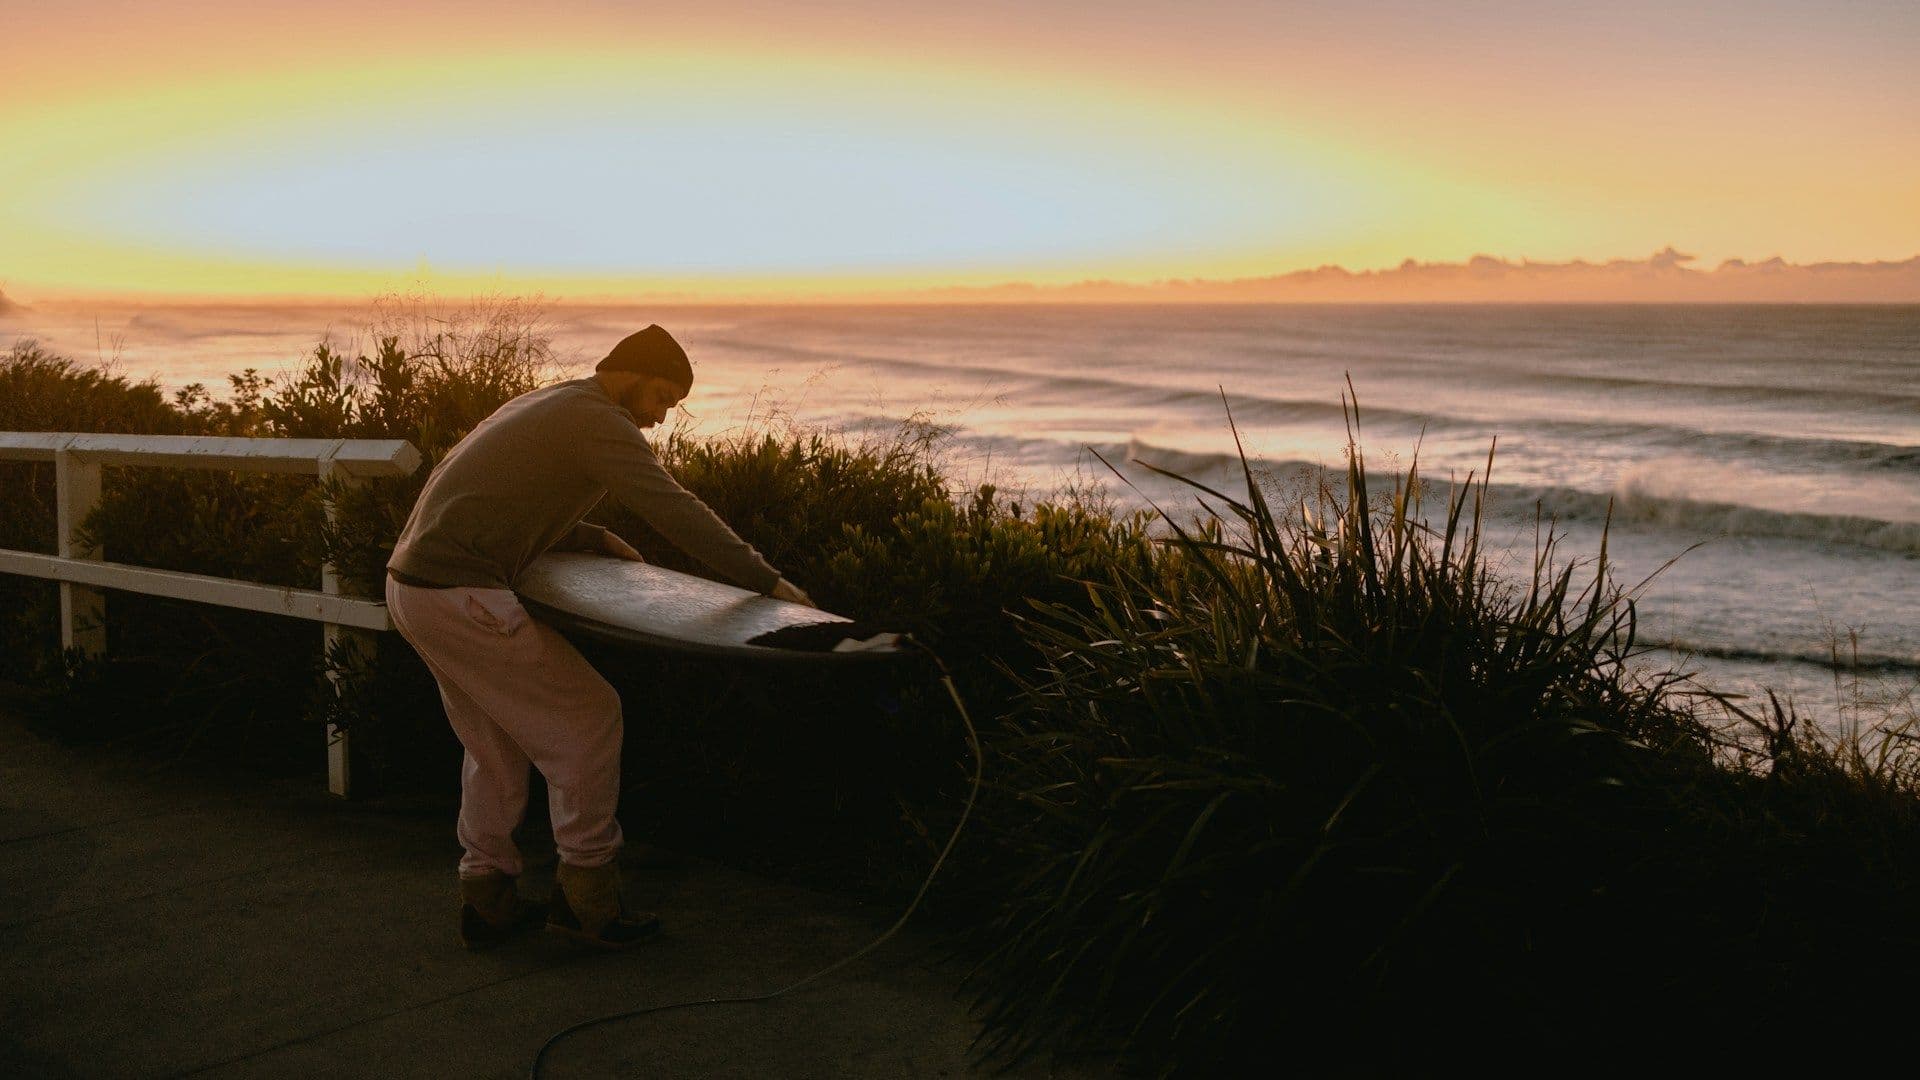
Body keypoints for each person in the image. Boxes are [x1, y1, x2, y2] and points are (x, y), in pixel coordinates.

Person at [383, 324, 813, 950]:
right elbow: (673, 507)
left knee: (495, 749)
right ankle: (587, 897)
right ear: (633, 374)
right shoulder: (597, 420)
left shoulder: (552, 400)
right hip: (462, 593)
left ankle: (487, 899)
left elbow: (495, 494)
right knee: (589, 717)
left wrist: (585, 536)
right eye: (663, 397)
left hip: (414, 588)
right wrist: (766, 581)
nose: (664, 417)